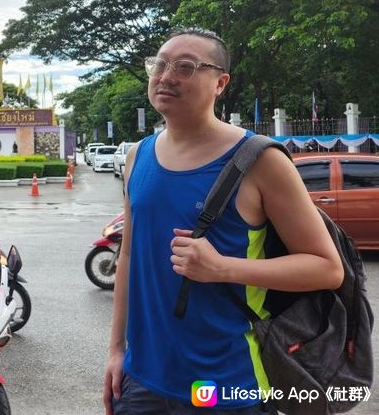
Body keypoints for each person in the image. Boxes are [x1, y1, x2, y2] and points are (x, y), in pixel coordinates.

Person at [103, 27, 343, 414]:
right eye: (159, 65)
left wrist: (222, 267)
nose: (166, 77)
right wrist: (116, 350)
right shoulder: (137, 156)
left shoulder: (260, 161)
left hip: (227, 385)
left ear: (220, 83)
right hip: (142, 380)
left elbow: (327, 268)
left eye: (185, 67)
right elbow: (128, 257)